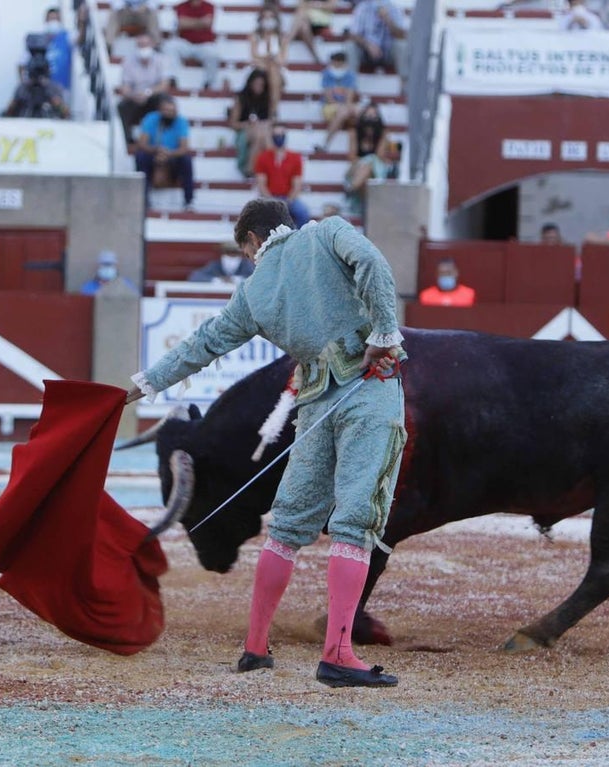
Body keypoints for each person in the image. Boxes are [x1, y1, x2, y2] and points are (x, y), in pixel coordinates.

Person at [124, 198, 407, 689]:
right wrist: (383, 331)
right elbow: (374, 264)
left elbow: (201, 345)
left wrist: (139, 387)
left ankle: (255, 647)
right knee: (356, 520)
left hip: (315, 401)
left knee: (288, 524)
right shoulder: (327, 233)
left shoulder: (254, 291)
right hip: (369, 388)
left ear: (254, 241)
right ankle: (338, 653)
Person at [135, 98, 196, 210]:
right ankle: (144, 199)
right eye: (165, 110)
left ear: (176, 112)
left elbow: (184, 148)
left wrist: (169, 153)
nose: (168, 113)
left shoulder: (181, 122)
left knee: (186, 160)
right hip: (154, 153)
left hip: (173, 156)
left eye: (171, 111)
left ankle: (189, 201)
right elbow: (142, 143)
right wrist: (157, 150)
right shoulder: (151, 119)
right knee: (141, 157)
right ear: (160, 111)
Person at [117, 35, 171, 145]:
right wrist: (133, 95)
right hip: (135, 97)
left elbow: (164, 84)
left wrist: (147, 93)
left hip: (153, 96)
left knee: (165, 100)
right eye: (140, 45)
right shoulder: (128, 61)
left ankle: (165, 138)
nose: (143, 48)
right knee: (122, 106)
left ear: (152, 45)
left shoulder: (161, 59)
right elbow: (125, 87)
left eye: (146, 45)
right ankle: (128, 139)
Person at [255, 125, 310, 228]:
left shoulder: (295, 157)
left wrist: (288, 201)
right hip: (269, 198)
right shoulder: (263, 157)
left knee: (303, 212)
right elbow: (261, 184)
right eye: (276, 135)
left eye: (281, 135)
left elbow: (297, 185)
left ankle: (301, 240)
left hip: (288, 198)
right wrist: (271, 201)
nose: (278, 137)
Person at [168, 0, 221, 91]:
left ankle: (209, 84)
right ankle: (172, 79)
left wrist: (189, 22)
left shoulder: (209, 6)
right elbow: (181, 23)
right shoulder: (181, 6)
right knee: (170, 46)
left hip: (204, 45)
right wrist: (200, 22)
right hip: (186, 43)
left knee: (213, 54)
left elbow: (208, 23)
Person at [348, 0, 408, 78]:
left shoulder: (394, 8)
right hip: (366, 53)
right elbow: (353, 34)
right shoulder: (362, 7)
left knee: (401, 45)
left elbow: (401, 36)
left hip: (387, 54)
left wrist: (388, 19)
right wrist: (368, 45)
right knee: (350, 46)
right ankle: (349, 84)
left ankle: (404, 85)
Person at [19, 8, 73, 94]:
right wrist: (24, 85)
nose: (53, 22)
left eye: (56, 19)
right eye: (51, 19)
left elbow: (79, 39)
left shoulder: (66, 36)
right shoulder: (36, 40)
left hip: (61, 87)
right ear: (46, 20)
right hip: (39, 89)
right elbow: (21, 64)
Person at [232, 69, 273, 178]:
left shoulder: (266, 99)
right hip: (244, 131)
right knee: (262, 134)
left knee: (262, 134)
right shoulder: (241, 98)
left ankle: (250, 169)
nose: (258, 87)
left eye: (261, 85)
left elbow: (269, 121)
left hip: (261, 132)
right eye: (256, 84)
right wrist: (247, 124)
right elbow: (233, 124)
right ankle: (272, 169)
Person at [344, 137, 398, 218]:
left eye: (385, 148)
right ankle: (353, 189)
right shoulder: (371, 158)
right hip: (363, 191)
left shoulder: (392, 166)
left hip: (379, 193)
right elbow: (349, 173)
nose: (383, 150)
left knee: (367, 168)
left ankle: (351, 189)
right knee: (366, 168)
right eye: (381, 146)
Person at [317, 52, 360, 154]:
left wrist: (346, 106)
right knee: (343, 111)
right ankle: (325, 143)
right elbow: (329, 98)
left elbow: (349, 99)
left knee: (361, 112)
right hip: (329, 107)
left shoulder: (350, 75)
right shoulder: (326, 74)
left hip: (345, 107)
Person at [250, 6, 288, 117]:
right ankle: (272, 111)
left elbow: (283, 59)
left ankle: (272, 110)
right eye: (265, 17)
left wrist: (271, 60)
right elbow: (253, 57)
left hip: (276, 69)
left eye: (271, 17)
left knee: (274, 70)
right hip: (259, 68)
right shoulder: (254, 36)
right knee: (272, 70)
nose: (268, 20)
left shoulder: (281, 37)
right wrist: (267, 60)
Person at [286, 0, 339, 66]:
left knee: (302, 17)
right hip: (306, 22)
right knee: (303, 25)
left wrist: (316, 5)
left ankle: (287, 41)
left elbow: (332, 6)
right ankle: (316, 56)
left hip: (320, 23)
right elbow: (300, 5)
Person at [190, 243, 256, 283]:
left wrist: (237, 280)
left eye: (234, 253)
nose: (231, 256)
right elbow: (195, 276)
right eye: (228, 253)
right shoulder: (215, 265)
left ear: (240, 255)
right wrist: (217, 280)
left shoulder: (246, 265)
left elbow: (257, 277)